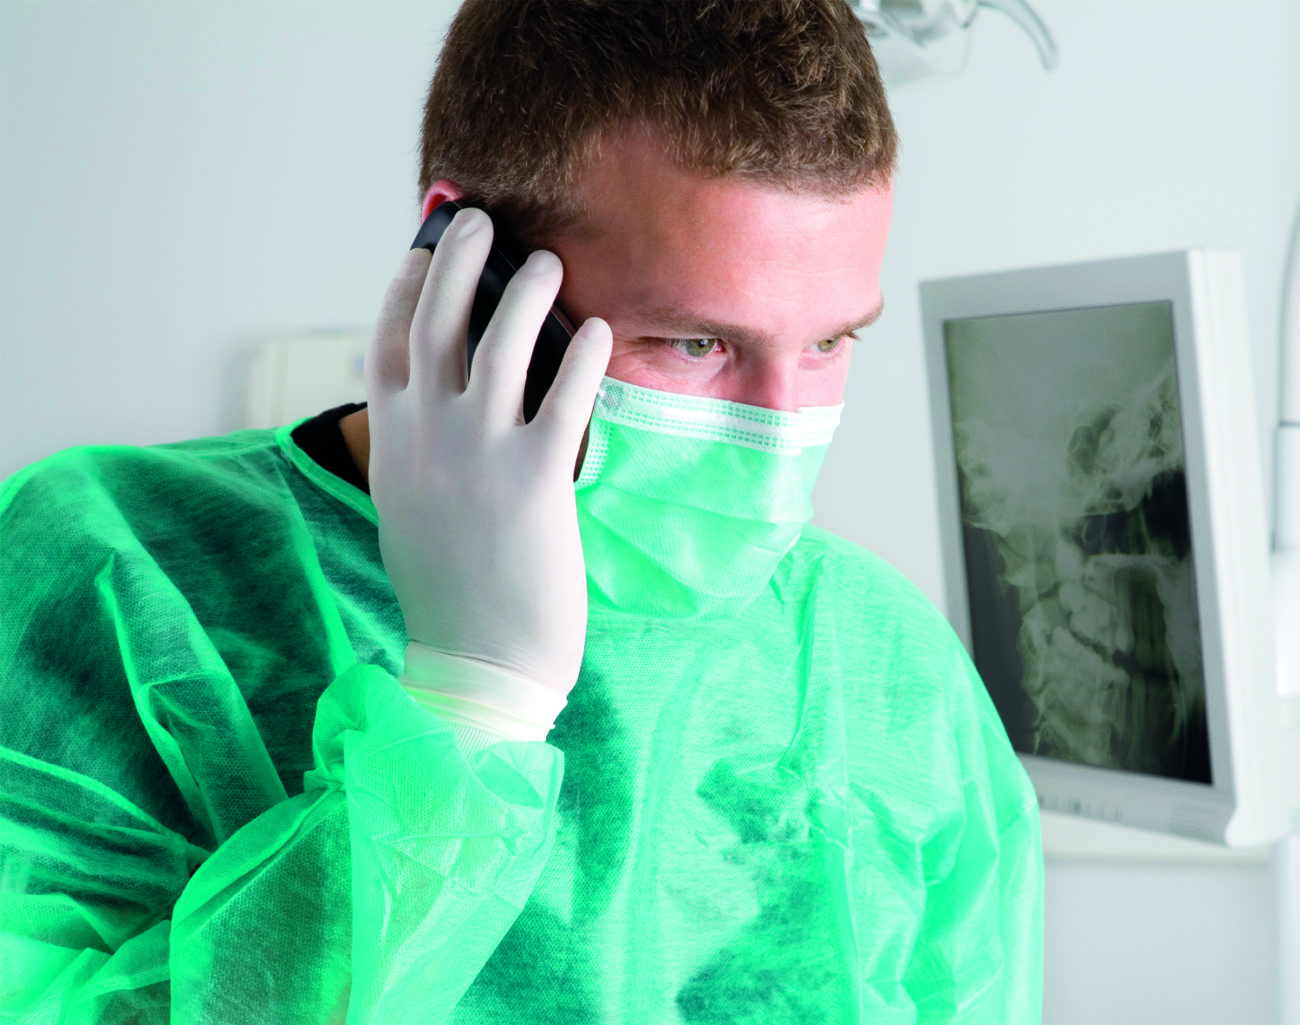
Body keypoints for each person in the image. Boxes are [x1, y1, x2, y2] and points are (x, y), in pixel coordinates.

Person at [0, 2, 1043, 1022]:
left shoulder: (886, 663)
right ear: (469, 266)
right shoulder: (103, 577)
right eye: (696, 343)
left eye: (828, 343)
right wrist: (469, 706)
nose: (783, 432)